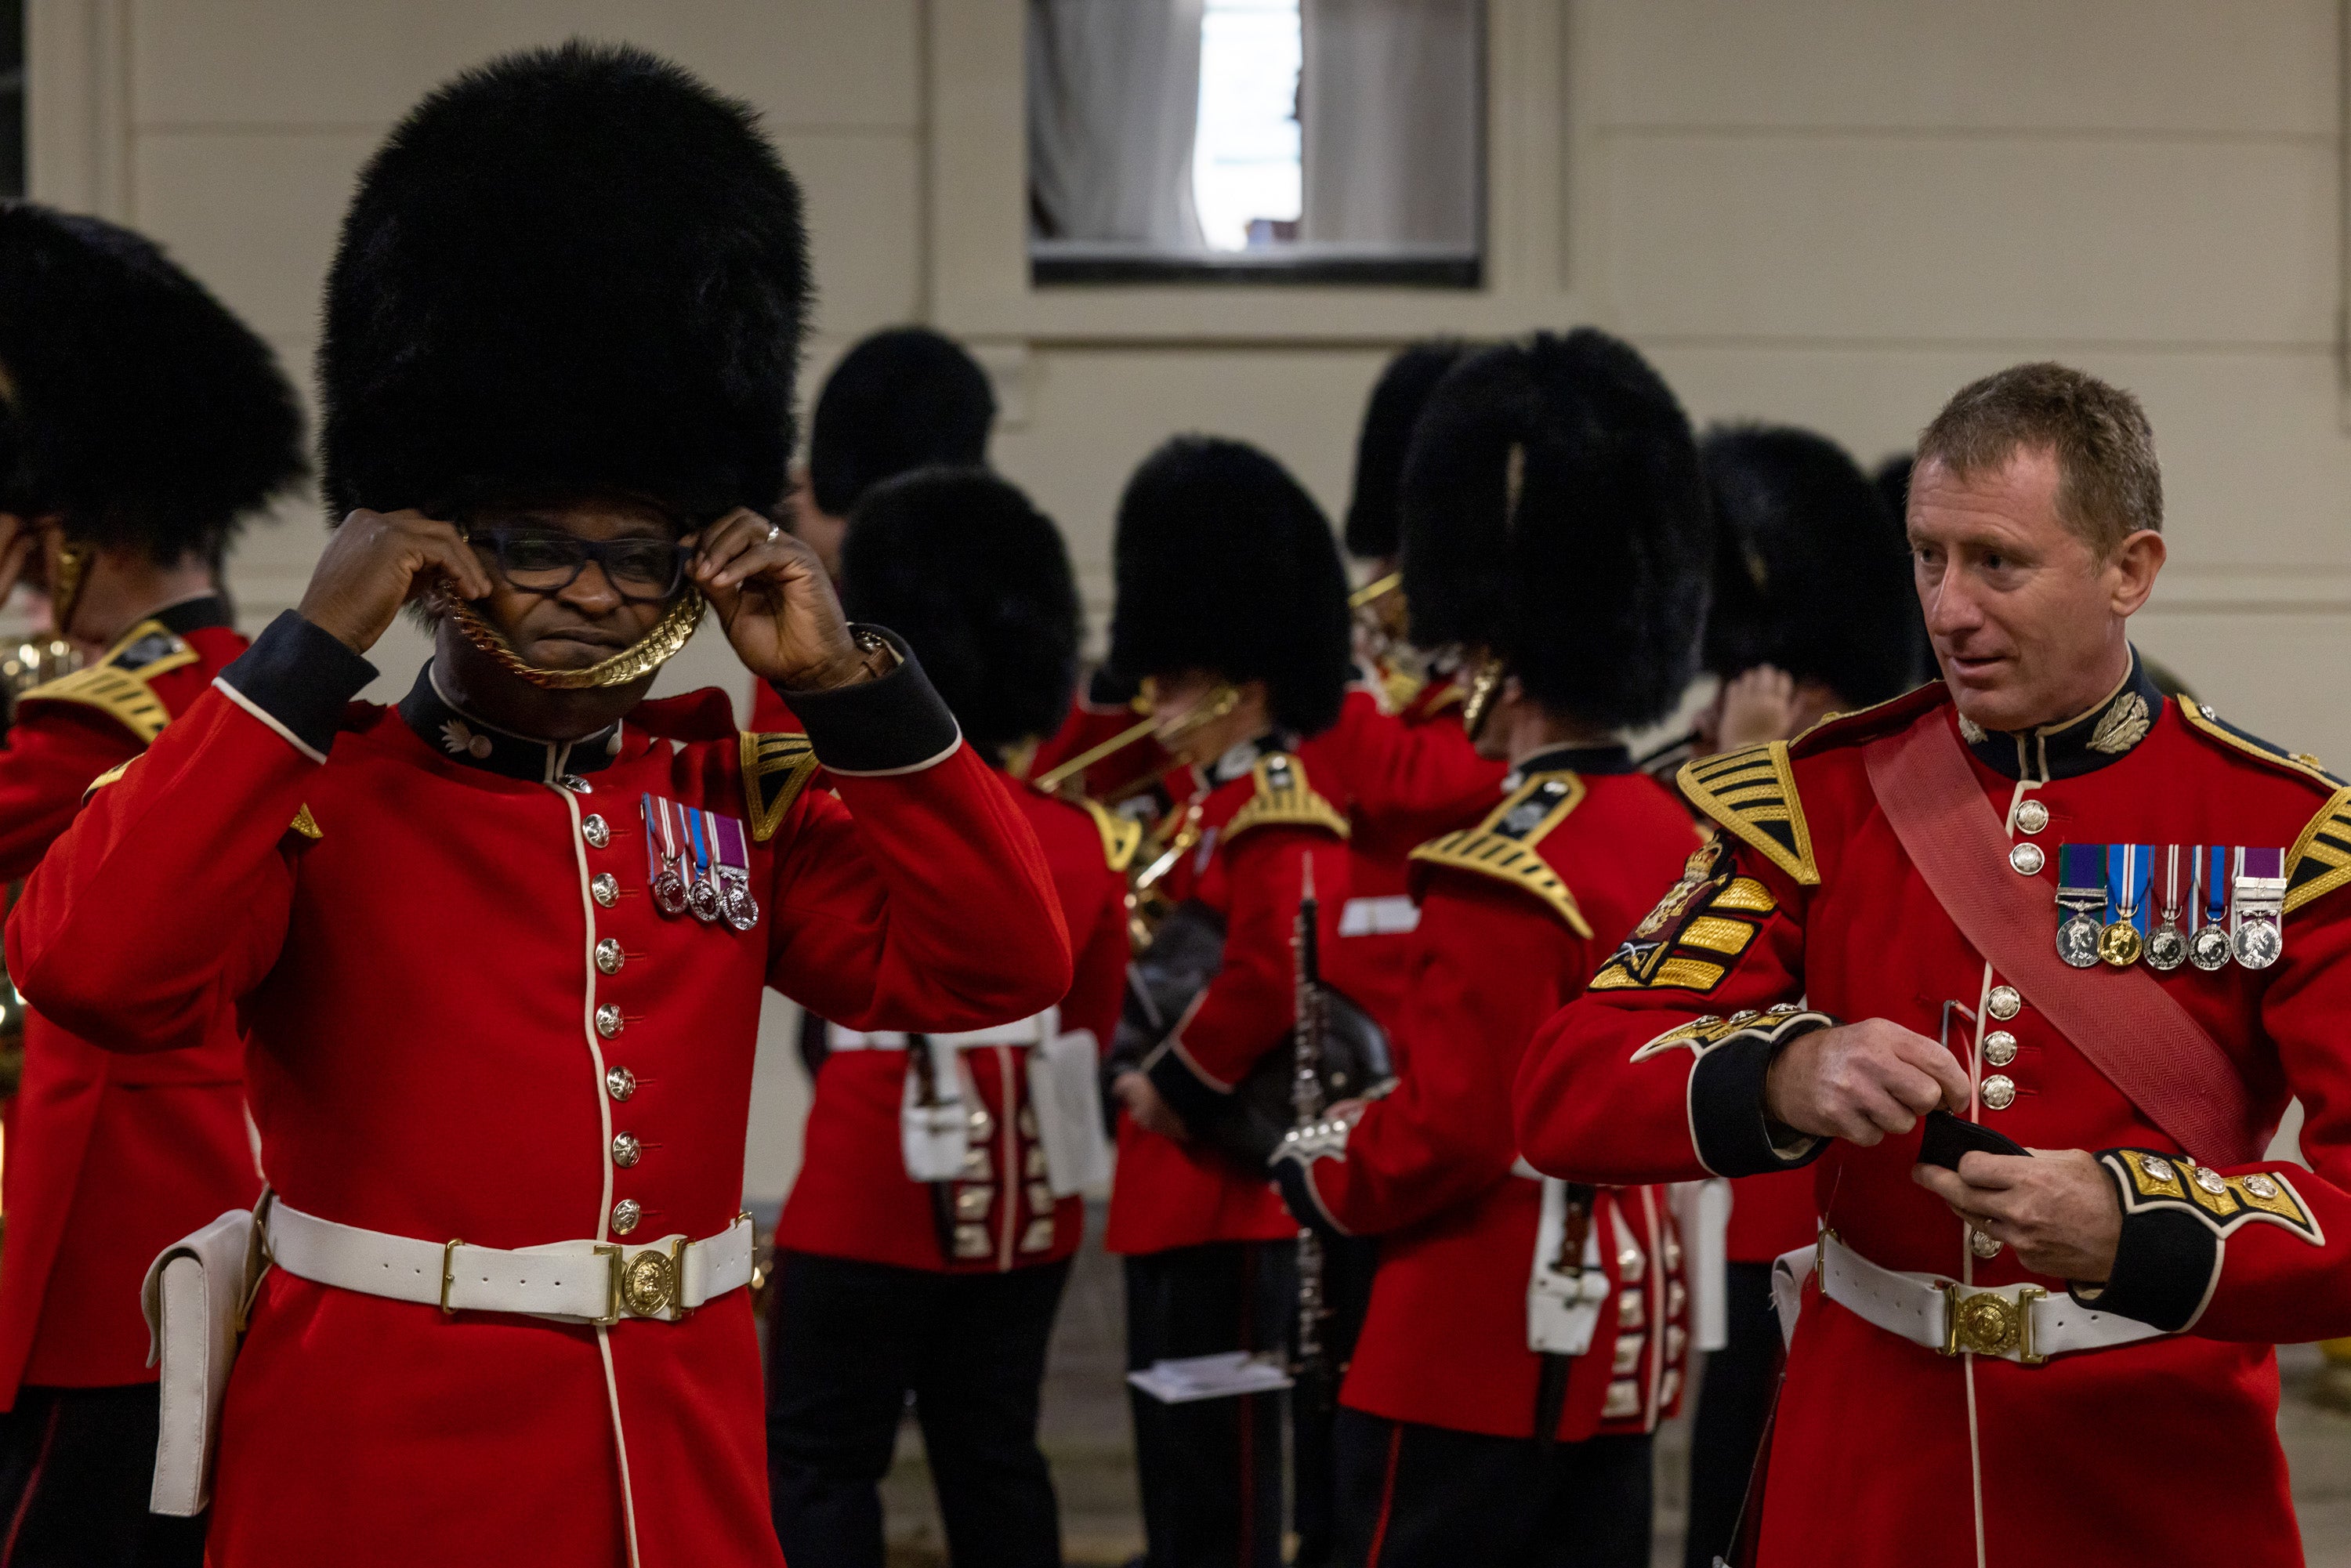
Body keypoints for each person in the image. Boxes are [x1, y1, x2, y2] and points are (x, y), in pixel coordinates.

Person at [5, 44, 1070, 1566]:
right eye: (533, 544)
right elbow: (89, 966)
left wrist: (852, 691)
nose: (587, 591)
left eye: (637, 551)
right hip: (380, 1472)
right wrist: (309, 655)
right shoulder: (319, 799)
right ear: (439, 551)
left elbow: (1002, 963)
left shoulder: (731, 797)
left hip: (680, 1471)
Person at [1516, 361, 2351, 1568]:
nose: (1947, 608)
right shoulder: (1819, 801)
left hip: (2152, 1480)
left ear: (2132, 570)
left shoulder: (2284, 833)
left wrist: (2132, 1224)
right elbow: (1568, 1078)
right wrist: (1787, 1072)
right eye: (1928, 557)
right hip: (1865, 1472)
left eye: (1997, 563)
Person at [1272, 329, 1708, 1568]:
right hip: (1624, 1326)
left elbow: (1458, 1126)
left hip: (1475, 1335)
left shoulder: (1502, 860)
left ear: (1497, 656)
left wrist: (1321, 1160)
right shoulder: (1674, 830)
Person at [0, 203, 302, 1566]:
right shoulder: (247, 689)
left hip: (97, 1257)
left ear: (63, 533)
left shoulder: (101, 723)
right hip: (224, 1228)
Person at [765, 466, 1131, 1568]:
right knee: (996, 1453)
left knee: (822, 1457)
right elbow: (1091, 1029)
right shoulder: (1078, 837)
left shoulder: (835, 811)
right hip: (1024, 1199)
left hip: (865, 1183)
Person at [1098, 435, 1356, 1568]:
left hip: (1227, 1188)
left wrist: (1167, 1083)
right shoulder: (1199, 808)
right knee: (1183, 1478)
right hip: (1176, 1190)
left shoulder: (1274, 804)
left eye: (1172, 679)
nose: (1152, 700)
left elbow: (1268, 974)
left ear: (1239, 681)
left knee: (1226, 1492)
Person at [1674, 424, 1921, 1568]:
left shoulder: (1858, 789)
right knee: (1732, 1489)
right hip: (1738, 1174)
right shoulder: (1751, 772)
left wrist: (1748, 767)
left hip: (1826, 1194)